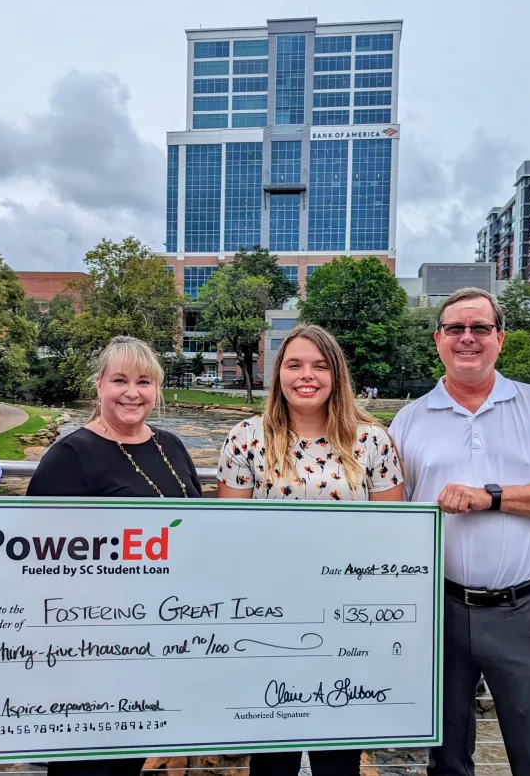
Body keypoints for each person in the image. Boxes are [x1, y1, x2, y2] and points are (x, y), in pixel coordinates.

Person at [388, 288, 530, 776]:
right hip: (437, 610)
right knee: (446, 757)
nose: (468, 338)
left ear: (499, 338)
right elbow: (390, 515)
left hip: (523, 610)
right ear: (438, 339)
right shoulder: (408, 420)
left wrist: (492, 495)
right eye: (456, 329)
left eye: (480, 328)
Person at [217, 323, 404, 776]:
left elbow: (394, 538)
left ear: (336, 375)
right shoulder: (245, 438)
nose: (308, 375)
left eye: (320, 366)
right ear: (278, 372)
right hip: (267, 624)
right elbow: (228, 536)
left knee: (338, 761)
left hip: (348, 624)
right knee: (271, 759)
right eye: (295, 364)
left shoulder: (372, 441)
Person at [26, 335, 203, 776]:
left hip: (155, 642)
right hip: (87, 651)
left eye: (144, 381)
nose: (132, 392)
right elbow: (33, 557)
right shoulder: (69, 455)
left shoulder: (173, 446)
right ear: (100, 384)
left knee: (126, 763)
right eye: (120, 380)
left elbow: (200, 534)